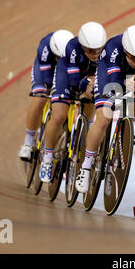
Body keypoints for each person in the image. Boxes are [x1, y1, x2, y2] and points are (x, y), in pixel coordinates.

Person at [75, 24, 135, 194]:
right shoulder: (113, 48)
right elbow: (112, 82)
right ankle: (86, 167)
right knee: (104, 117)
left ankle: (129, 124)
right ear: (126, 51)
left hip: (127, 78)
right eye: (133, 58)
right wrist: (124, 84)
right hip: (109, 74)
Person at [39, 21, 107, 183]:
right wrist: (87, 86)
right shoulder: (72, 47)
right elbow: (74, 81)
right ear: (82, 46)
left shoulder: (106, 51)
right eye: (90, 51)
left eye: (98, 49)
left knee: (91, 111)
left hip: (89, 75)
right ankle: (47, 159)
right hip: (67, 74)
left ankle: (81, 138)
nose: (95, 54)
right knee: (59, 116)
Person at [18, 29, 74, 162]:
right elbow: (47, 78)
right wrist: (51, 87)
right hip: (45, 67)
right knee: (40, 98)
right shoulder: (45, 46)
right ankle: (28, 143)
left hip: (64, 69)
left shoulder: (72, 49)